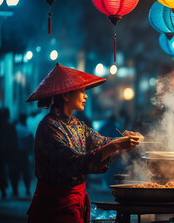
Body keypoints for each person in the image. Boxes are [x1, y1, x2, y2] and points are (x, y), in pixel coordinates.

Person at [26, 63, 141, 223]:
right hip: (54, 208)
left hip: (75, 204)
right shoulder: (48, 127)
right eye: (81, 91)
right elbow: (73, 163)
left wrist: (124, 141)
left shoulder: (77, 125)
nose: (86, 96)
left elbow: (102, 143)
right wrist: (115, 145)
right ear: (66, 96)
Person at [0, 107, 19, 198]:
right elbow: (15, 141)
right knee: (13, 171)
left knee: (0, 171)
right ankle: (14, 190)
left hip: (0, 153)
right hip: (11, 152)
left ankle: (3, 191)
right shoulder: (11, 126)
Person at [15, 113, 35, 196]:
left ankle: (15, 190)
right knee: (26, 171)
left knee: (16, 171)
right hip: (25, 153)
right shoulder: (28, 130)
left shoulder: (15, 128)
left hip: (16, 153)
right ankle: (27, 189)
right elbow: (31, 143)